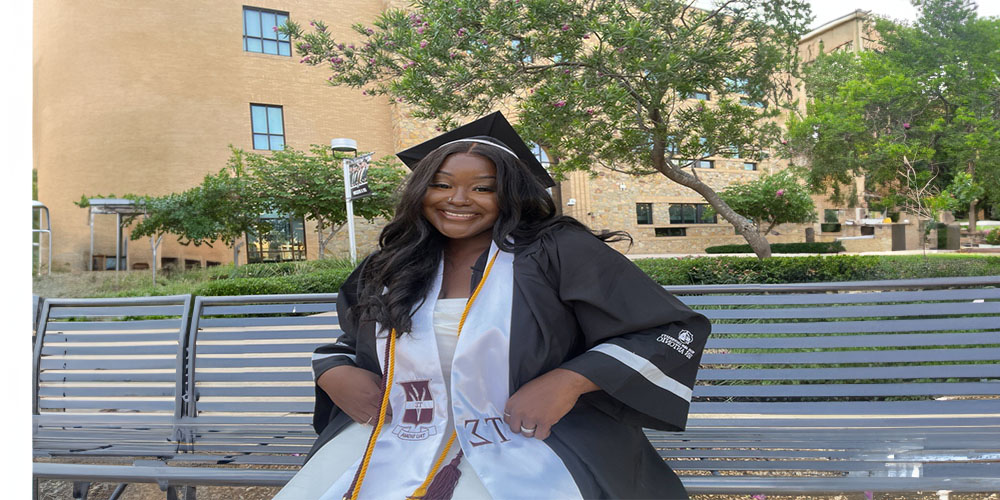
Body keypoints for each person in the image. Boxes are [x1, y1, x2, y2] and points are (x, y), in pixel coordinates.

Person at [274, 112, 711, 500]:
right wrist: (333, 371)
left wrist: (569, 381)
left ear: (513, 194)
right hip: (401, 429)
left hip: (534, 434)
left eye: (483, 188)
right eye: (441, 185)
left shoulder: (558, 251)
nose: (457, 200)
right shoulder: (395, 262)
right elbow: (355, 341)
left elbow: (671, 331)